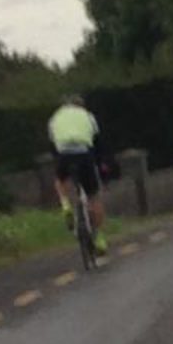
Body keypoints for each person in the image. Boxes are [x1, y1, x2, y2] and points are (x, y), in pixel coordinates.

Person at [48, 94, 108, 255]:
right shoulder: (88, 116)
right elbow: (97, 142)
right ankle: (99, 238)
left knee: (60, 181)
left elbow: (53, 144)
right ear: (81, 105)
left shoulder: (55, 118)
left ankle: (66, 205)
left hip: (64, 155)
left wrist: (59, 162)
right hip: (84, 155)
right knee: (94, 196)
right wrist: (101, 163)